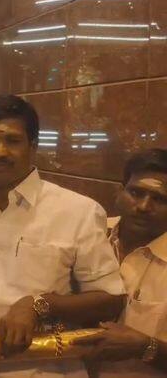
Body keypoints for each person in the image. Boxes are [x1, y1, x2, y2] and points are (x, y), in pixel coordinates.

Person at [0, 94, 125, 377]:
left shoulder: (77, 211)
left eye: (13, 141)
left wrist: (39, 304)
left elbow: (110, 299)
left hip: (43, 369)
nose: (0, 152)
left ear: (34, 146)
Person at [74, 148, 167, 376]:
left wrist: (145, 346)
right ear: (119, 192)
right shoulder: (86, 234)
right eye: (136, 192)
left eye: (159, 199)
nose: (144, 206)